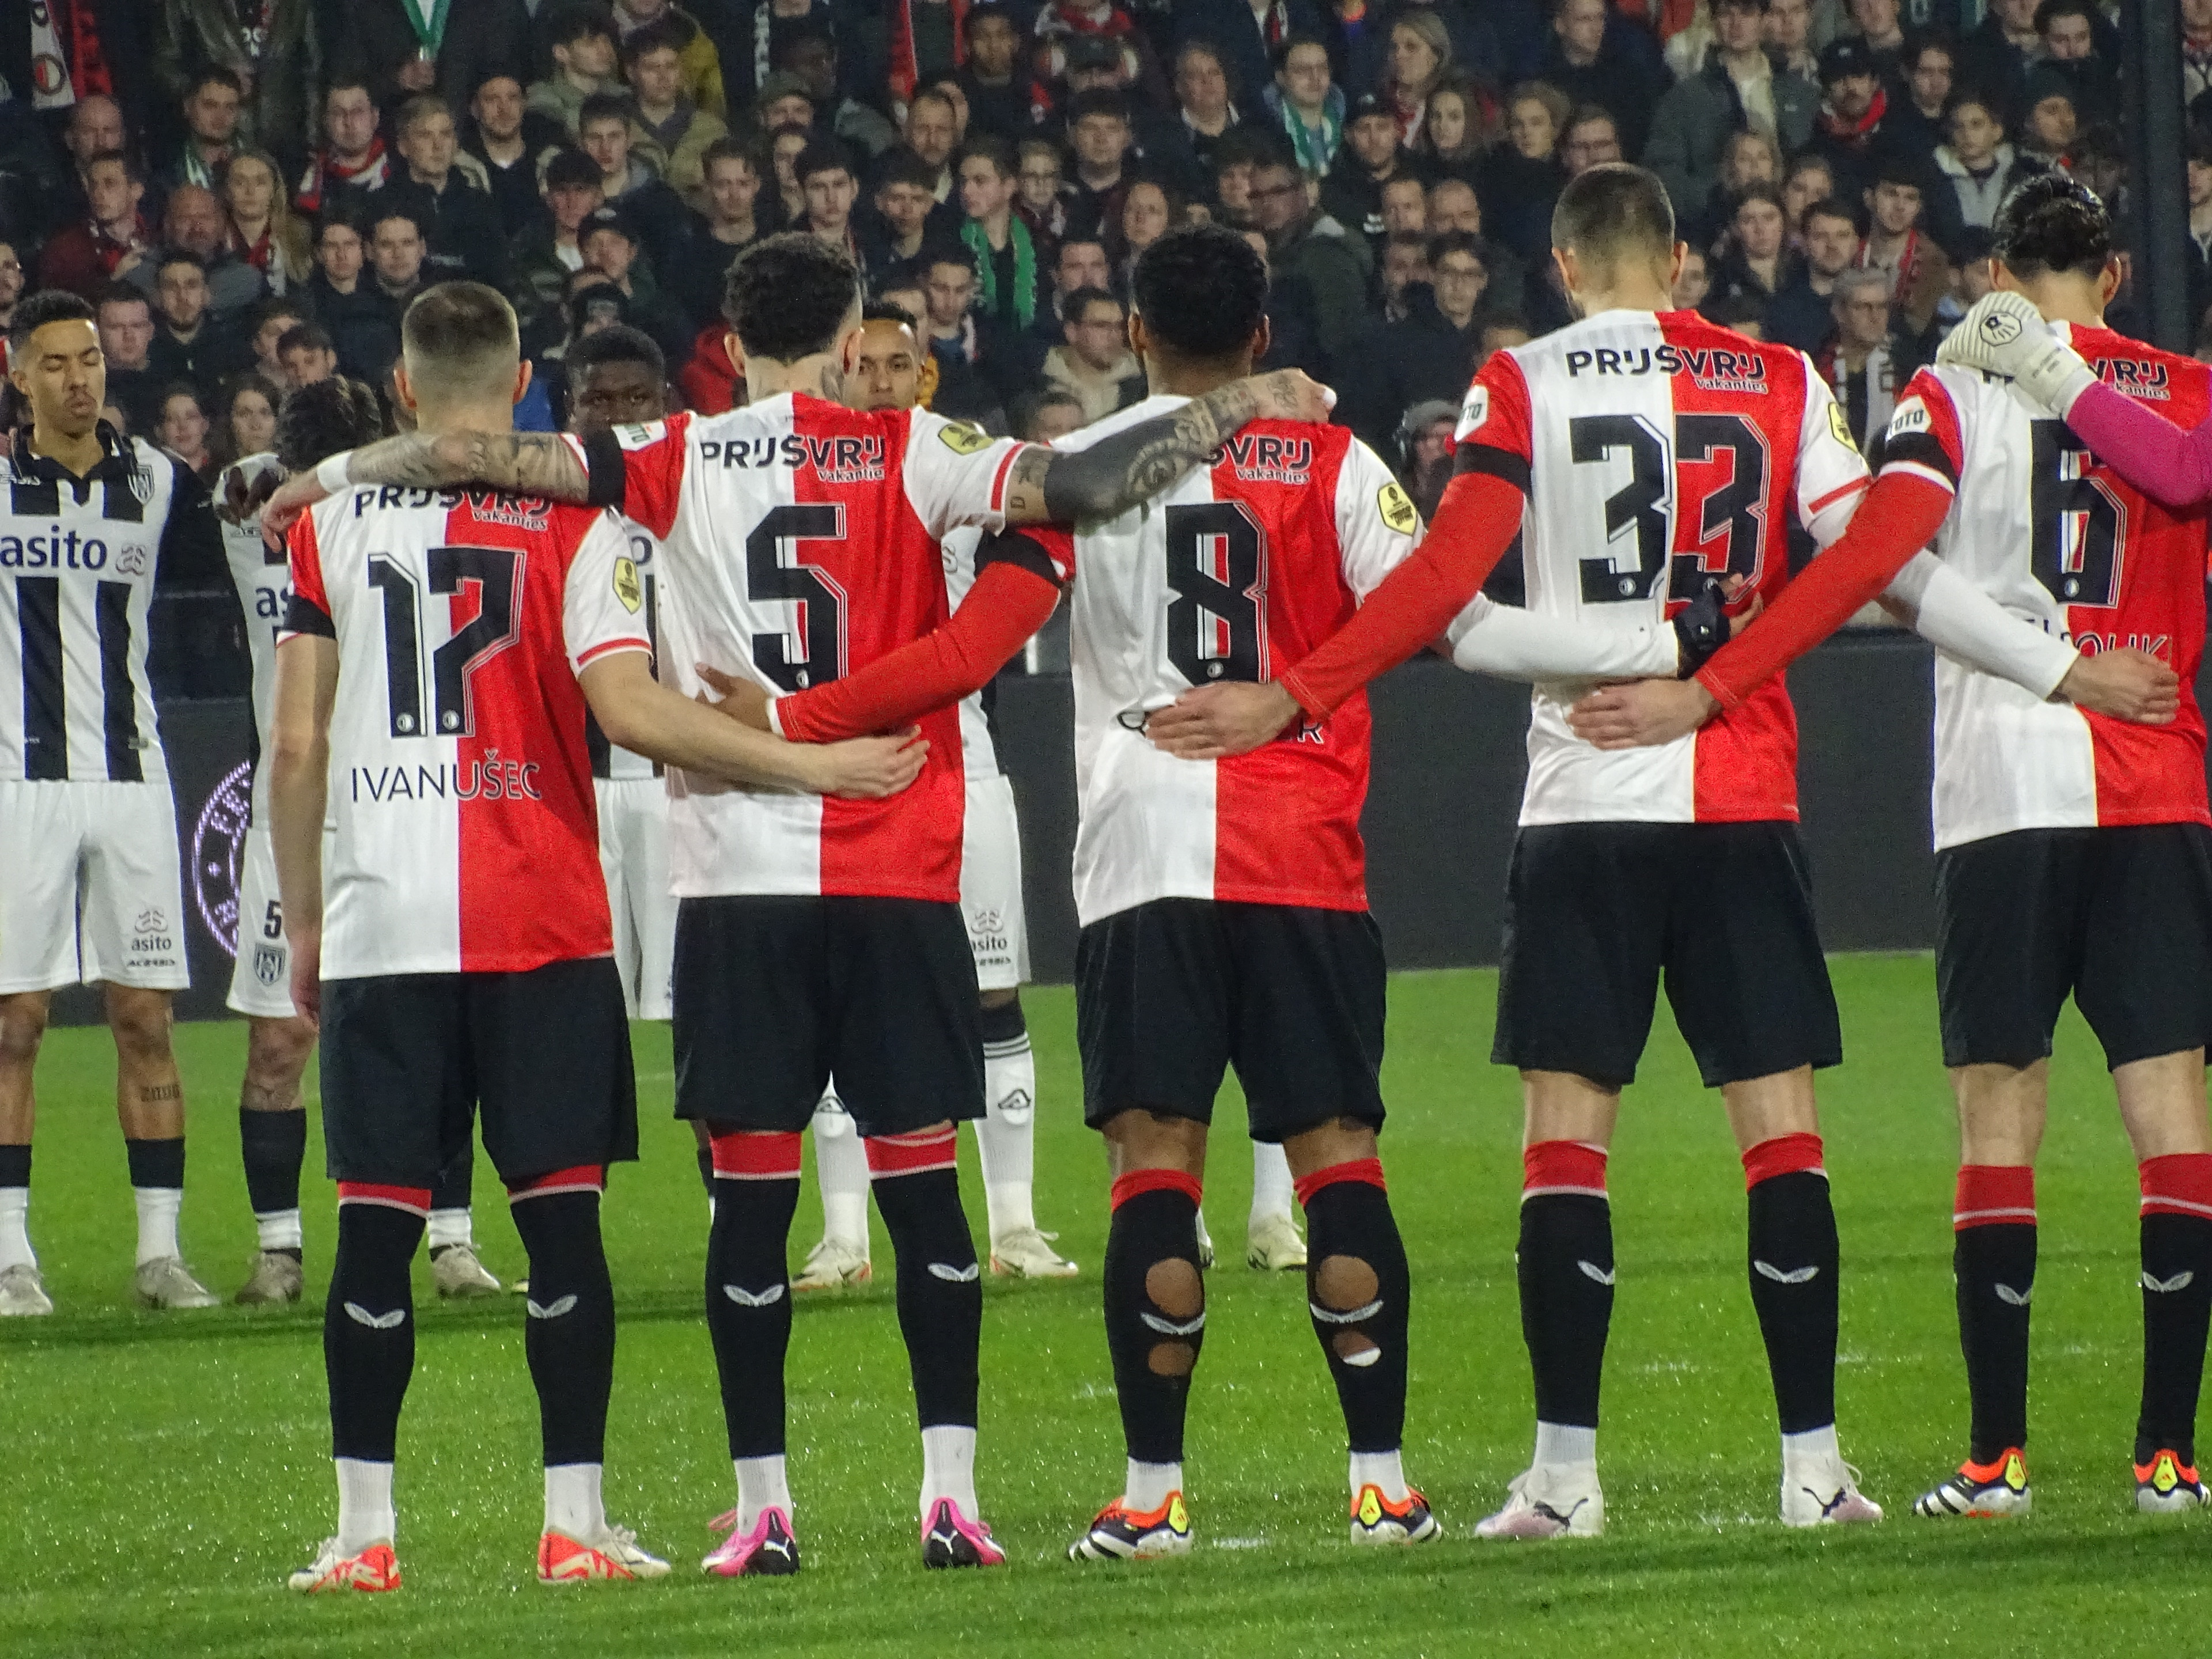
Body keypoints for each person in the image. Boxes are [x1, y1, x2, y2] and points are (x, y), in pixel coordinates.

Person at [256, 230, 1335, 1577]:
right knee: (924, 1198)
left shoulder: (663, 454)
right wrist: (1245, 400)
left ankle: (759, 1510)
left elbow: (480, 461)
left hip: (732, 878)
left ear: (728, 339)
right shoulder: (917, 446)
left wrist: (330, 472)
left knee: (751, 1208)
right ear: (845, 336)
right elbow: (1090, 483)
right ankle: (949, 1500)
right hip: (891, 859)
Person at [1145, 165, 1896, 1535]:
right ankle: (1816, 1467)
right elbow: (1867, 562)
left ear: (1561, 266)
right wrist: (1715, 680)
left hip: (1582, 799)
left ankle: (1562, 1480)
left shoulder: (1521, 380)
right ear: (1678, 260)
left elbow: (1446, 584)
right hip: (1739, 792)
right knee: (1781, 1134)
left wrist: (1298, 691)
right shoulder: (1782, 376)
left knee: (1566, 1141)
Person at [268, 278, 925, 1592]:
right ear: (524, 389)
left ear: (403, 390)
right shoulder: (582, 520)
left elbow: (294, 744)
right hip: (543, 919)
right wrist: (815, 765)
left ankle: (363, 1538)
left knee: (376, 1232)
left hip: (383, 918)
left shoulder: (325, 526)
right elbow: (628, 711)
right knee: (561, 1233)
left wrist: (304, 923)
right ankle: (574, 1525)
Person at [1590, 173, 2211, 1519]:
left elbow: (1882, 557)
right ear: (2113, 275)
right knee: (2171, 1115)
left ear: (1998, 274)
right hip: (2157, 784)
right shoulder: (2183, 389)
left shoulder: (1945, 394)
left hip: (1999, 791)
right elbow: (2184, 491)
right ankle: (2168, 1458)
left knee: (1998, 1113)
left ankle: (1995, 1462)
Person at [789, 302, 1079, 1289]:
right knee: (837, 1003)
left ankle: (1017, 1226)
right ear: (838, 373)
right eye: (861, 363)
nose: (878, 379)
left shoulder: (956, 464)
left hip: (960, 755)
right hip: (835, 760)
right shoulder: (803, 468)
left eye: (897, 364)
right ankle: (843, 1237)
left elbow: (1050, 509)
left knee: (992, 989)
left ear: (926, 378)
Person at [0, 289, 229, 1317]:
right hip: (21, 784)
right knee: (16, 1024)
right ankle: (10, 1256)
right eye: (53, 363)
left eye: (88, 360)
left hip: (134, 781)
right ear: (19, 376)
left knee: (145, 1018)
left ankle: (160, 1255)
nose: (76, 380)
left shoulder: (162, 482)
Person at [209, 374, 384, 1306]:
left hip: (393, 802)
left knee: (415, 1025)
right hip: (291, 812)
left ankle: (451, 1239)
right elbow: (233, 482)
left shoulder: (401, 523)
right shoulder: (254, 517)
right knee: (279, 1041)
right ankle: (279, 1251)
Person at [1645, 0, 1819, 221]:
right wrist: (1716, 202)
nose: (1736, 23)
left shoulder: (1800, 92)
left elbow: (1816, 164)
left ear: (1764, 19)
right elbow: (1664, 171)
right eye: (1726, 14)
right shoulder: (1685, 97)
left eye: (1746, 13)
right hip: (1711, 224)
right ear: (1714, 22)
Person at [381, 96, 512, 289]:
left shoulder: (481, 206)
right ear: (403, 146)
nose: (438, 146)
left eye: (446, 134)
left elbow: (500, 277)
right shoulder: (383, 205)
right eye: (425, 136)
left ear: (456, 143)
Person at [1042, 287, 1144, 425]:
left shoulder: (1144, 387)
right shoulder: (1040, 385)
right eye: (1101, 326)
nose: (1114, 336)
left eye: (1119, 327)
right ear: (1071, 332)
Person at [157, 385, 216, 478]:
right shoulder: (156, 475)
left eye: (191, 417)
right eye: (172, 419)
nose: (182, 426)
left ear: (205, 424)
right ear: (159, 430)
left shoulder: (225, 472)